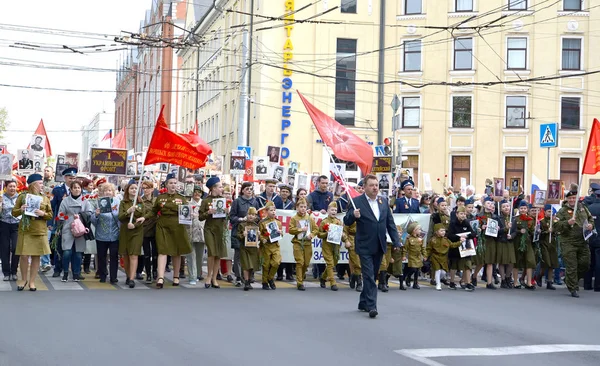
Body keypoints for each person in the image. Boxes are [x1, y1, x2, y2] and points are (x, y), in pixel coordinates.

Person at [343, 174, 401, 319]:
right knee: (368, 276)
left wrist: (396, 241)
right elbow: (347, 220)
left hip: (379, 244)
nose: (375, 188)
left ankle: (363, 302)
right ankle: (372, 306)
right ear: (364, 187)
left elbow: (390, 223)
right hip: (364, 245)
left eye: (376, 185)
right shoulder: (357, 202)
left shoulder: (383, 201)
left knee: (372, 275)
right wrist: (353, 215)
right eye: (371, 185)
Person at [13, 174, 53, 291]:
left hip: (39, 230)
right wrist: (20, 210)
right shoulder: (22, 197)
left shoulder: (45, 198)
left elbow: (50, 215)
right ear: (32, 184)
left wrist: (43, 214)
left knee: (36, 256)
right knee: (24, 255)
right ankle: (23, 279)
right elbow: (13, 213)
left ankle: (32, 281)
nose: (42, 185)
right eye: (40, 183)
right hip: (26, 229)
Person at [152, 174, 192, 288]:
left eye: (175, 183)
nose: (173, 185)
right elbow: (154, 211)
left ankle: (176, 276)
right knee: (162, 250)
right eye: (171, 183)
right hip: (163, 225)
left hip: (177, 226)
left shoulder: (182, 198)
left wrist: (191, 215)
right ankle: (160, 277)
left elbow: (186, 212)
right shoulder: (160, 197)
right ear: (166, 184)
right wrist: (144, 217)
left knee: (176, 251)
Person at [555, 191, 594, 298]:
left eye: (574, 198)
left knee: (585, 264)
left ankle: (570, 279)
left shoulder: (583, 208)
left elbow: (590, 218)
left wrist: (591, 225)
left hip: (583, 241)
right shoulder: (562, 211)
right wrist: (567, 223)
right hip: (568, 242)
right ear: (567, 199)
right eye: (570, 198)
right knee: (572, 266)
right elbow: (556, 226)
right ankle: (573, 288)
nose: (572, 200)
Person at [198, 176, 228, 288]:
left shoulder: (223, 200)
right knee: (212, 253)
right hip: (209, 229)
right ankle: (208, 276)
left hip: (220, 229)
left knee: (218, 254)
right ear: (213, 188)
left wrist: (226, 212)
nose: (222, 189)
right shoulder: (206, 201)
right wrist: (208, 212)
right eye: (220, 187)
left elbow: (227, 217)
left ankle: (215, 278)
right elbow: (200, 217)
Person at [89, 182, 121, 284]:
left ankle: (113, 277)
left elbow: (120, 217)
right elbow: (93, 220)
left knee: (114, 256)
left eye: (110, 190)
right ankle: (102, 275)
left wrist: (115, 213)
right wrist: (96, 214)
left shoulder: (117, 202)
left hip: (114, 234)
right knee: (101, 256)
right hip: (101, 234)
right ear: (102, 192)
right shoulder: (98, 202)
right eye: (105, 190)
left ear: (113, 192)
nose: (108, 192)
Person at [57, 180, 88, 282]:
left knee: (78, 253)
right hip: (68, 228)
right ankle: (65, 272)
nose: (77, 190)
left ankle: (76, 273)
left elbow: (90, 214)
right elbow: (60, 215)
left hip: (81, 229)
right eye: (74, 188)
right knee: (66, 252)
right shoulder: (65, 201)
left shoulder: (84, 200)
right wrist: (69, 217)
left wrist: (80, 216)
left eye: (79, 188)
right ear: (70, 189)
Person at [118, 181, 147, 288]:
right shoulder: (123, 203)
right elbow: (120, 217)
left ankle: (132, 278)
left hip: (136, 232)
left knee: (133, 255)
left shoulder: (141, 203)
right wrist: (128, 212)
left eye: (136, 188)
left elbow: (142, 218)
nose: (134, 190)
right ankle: (128, 275)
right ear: (127, 190)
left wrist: (134, 225)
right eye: (132, 188)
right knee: (125, 255)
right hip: (125, 231)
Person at [230, 181, 260, 286]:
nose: (249, 191)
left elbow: (259, 217)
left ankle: (249, 277)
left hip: (251, 233)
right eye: (247, 189)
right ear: (242, 190)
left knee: (251, 255)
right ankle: (238, 277)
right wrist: (241, 219)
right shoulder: (237, 201)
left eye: (251, 189)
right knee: (239, 255)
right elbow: (231, 217)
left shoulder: (255, 202)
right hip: (239, 231)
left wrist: (254, 221)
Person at [50, 167, 78, 278]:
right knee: (59, 246)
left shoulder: (78, 189)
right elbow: (52, 207)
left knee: (75, 248)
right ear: (65, 178)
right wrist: (51, 223)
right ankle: (57, 268)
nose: (72, 180)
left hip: (75, 223)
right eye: (70, 178)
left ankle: (75, 270)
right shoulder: (58, 190)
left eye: (74, 178)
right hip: (61, 222)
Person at [317, 201, 349, 291]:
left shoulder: (338, 222)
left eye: (335, 210)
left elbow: (342, 233)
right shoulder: (324, 222)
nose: (334, 212)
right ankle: (332, 283)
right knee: (330, 264)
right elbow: (319, 234)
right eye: (332, 210)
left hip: (336, 246)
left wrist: (346, 240)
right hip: (327, 245)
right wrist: (326, 234)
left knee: (334, 262)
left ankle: (323, 277)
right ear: (328, 210)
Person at [289, 198, 318, 291]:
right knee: (299, 262)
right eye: (301, 207)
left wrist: (312, 235)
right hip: (297, 243)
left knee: (306, 263)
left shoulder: (310, 218)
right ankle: (299, 282)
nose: (303, 209)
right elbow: (290, 230)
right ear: (297, 207)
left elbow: (316, 229)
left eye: (305, 207)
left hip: (307, 243)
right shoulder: (294, 218)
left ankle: (302, 274)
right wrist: (300, 230)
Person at [427, 223, 464, 291]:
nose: (443, 232)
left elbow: (452, 245)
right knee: (437, 270)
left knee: (443, 272)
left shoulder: (446, 240)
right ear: (436, 232)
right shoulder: (432, 240)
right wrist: (426, 256)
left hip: (444, 258)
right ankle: (438, 284)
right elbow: (429, 249)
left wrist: (460, 242)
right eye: (441, 230)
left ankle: (436, 279)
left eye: (444, 230)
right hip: (435, 257)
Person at [511, 201, 536, 290]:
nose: (523, 210)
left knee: (530, 261)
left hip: (528, 242)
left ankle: (529, 282)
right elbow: (512, 230)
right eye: (521, 208)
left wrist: (536, 232)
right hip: (517, 242)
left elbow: (532, 230)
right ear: (519, 209)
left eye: (525, 208)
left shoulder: (531, 219)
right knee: (517, 262)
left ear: (527, 209)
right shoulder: (515, 219)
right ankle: (515, 282)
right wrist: (519, 231)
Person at [258, 201, 283, 290]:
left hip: (275, 245)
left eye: (274, 210)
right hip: (266, 246)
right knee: (266, 265)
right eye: (271, 210)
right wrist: (262, 239)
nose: (273, 212)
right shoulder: (262, 222)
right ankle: (265, 282)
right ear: (266, 211)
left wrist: (280, 233)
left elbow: (281, 234)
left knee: (276, 262)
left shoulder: (278, 222)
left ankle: (270, 278)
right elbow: (259, 234)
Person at [236, 206, 260, 291]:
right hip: (244, 248)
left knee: (251, 266)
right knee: (246, 265)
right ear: (247, 215)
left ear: (255, 216)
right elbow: (237, 235)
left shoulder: (256, 226)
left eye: (253, 215)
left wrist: (259, 235)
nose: (251, 216)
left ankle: (249, 280)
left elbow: (258, 239)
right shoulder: (242, 225)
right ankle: (246, 281)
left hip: (253, 249)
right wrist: (243, 235)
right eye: (249, 214)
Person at [0, 181, 20, 281]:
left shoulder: (21, 198)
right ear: (6, 187)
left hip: (17, 224)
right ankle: (6, 272)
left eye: (14, 186)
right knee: (5, 248)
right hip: (4, 224)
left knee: (16, 248)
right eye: (10, 186)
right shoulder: (1, 197)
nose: (12, 188)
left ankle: (14, 271)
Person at [186, 186, 205, 285]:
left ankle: (198, 273)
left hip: (202, 232)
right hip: (190, 231)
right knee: (191, 255)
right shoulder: (188, 204)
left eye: (199, 192)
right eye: (195, 192)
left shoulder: (204, 203)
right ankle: (192, 276)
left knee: (200, 256)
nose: (197, 194)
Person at [141, 180, 159, 283]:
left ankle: (155, 272)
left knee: (156, 253)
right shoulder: (140, 200)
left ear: (152, 189)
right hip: (145, 230)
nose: (146, 190)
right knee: (147, 254)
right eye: (144, 188)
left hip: (156, 229)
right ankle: (148, 273)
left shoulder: (156, 200)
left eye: (148, 188)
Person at [538, 204, 559, 290]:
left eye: (551, 212)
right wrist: (547, 231)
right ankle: (539, 276)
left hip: (552, 244)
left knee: (552, 264)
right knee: (546, 263)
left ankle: (549, 282)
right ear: (545, 212)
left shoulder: (554, 222)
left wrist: (555, 231)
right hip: (544, 244)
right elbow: (540, 234)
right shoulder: (542, 222)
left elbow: (557, 231)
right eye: (548, 211)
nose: (550, 213)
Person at [401, 223, 427, 290]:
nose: (420, 231)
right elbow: (405, 248)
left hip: (418, 256)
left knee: (417, 270)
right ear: (414, 230)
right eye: (418, 229)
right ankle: (408, 277)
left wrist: (424, 255)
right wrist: (403, 255)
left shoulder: (420, 239)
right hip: (411, 256)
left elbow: (423, 248)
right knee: (413, 269)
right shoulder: (409, 239)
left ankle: (415, 283)